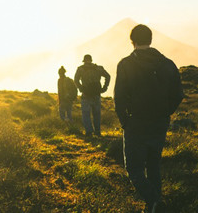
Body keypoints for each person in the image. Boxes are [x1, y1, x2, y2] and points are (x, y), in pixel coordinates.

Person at [114, 24, 183, 213]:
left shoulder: (126, 64)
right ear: (150, 40)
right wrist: (165, 113)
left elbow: (119, 97)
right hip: (159, 123)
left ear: (132, 41)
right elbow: (178, 94)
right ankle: (153, 205)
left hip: (135, 123)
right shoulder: (168, 63)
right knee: (153, 166)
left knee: (134, 170)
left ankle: (154, 201)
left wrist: (125, 121)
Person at [74, 54, 111, 137]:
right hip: (97, 94)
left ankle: (89, 132)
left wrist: (81, 88)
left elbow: (76, 80)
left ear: (84, 60)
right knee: (97, 114)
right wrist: (105, 87)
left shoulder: (80, 69)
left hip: (86, 94)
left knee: (86, 114)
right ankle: (97, 132)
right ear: (91, 60)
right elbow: (108, 76)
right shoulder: (98, 68)